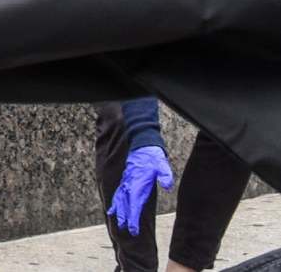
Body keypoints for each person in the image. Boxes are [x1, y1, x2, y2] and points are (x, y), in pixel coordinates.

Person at [99, 95, 256, 272]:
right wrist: (143, 132)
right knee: (122, 119)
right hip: (129, 72)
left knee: (240, 113)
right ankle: (134, 268)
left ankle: (183, 267)